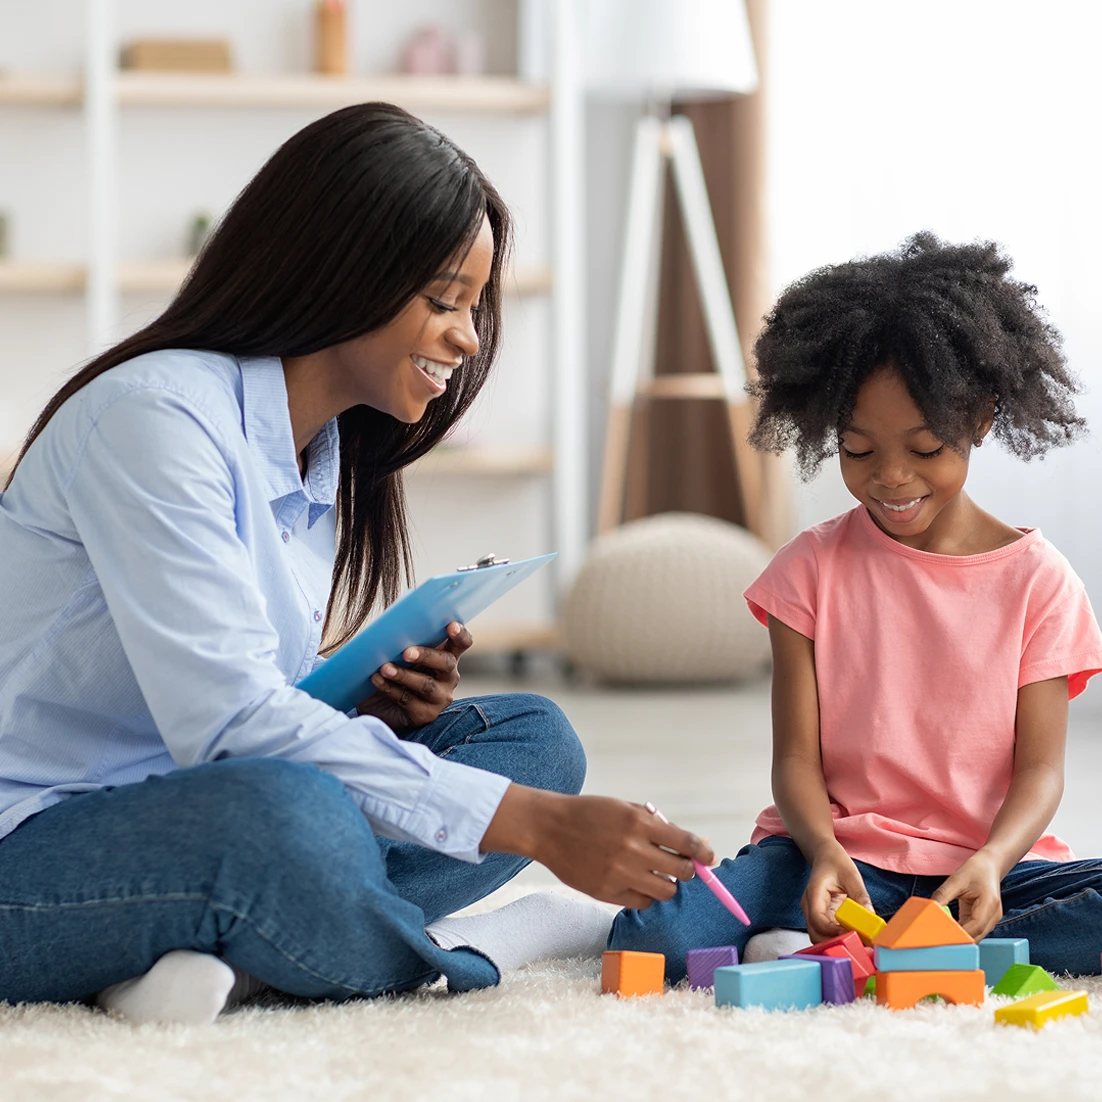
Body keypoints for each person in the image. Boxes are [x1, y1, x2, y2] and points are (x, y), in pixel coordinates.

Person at [0, 103, 713, 1023]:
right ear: (344, 272)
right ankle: (480, 947)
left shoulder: (321, 451)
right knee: (295, 822)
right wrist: (535, 828)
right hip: (41, 841)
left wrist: (363, 702)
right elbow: (224, 728)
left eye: (474, 307)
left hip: (203, 800)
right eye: (445, 300)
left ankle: (239, 955)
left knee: (535, 741)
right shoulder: (154, 419)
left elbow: (246, 697)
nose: (465, 337)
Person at [609, 232, 1102, 980]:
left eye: (926, 447)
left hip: (985, 870)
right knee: (653, 939)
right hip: (831, 858)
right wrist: (826, 852)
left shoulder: (1041, 581)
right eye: (858, 450)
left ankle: (893, 946)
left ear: (982, 421)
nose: (892, 479)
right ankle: (904, 948)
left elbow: (1040, 772)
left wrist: (995, 862)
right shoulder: (807, 571)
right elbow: (797, 760)